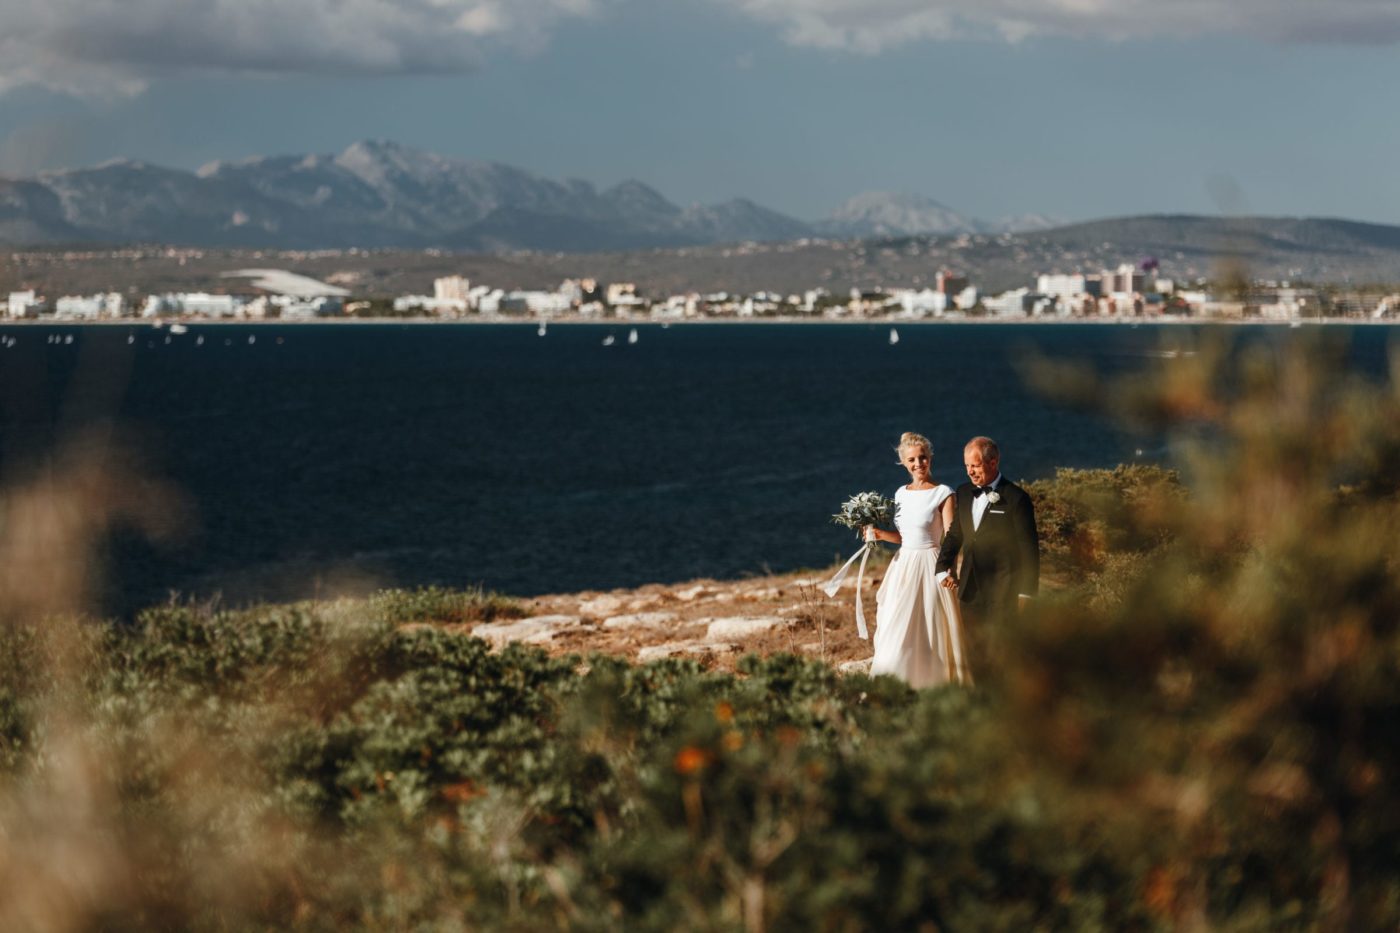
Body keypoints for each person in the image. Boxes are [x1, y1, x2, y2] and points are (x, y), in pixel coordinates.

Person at [864, 432, 972, 687]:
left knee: (930, 630)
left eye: (923, 458)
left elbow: (951, 537)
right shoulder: (901, 493)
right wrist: (877, 533)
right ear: (903, 463)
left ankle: (933, 686)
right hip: (903, 568)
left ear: (930, 458)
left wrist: (949, 571)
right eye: (912, 459)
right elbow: (904, 537)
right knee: (894, 628)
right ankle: (892, 685)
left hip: (932, 567)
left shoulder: (944, 493)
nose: (918, 464)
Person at [936, 436, 1039, 657]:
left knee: (1003, 653)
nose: (970, 472)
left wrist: (1027, 593)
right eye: (967, 466)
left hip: (1004, 592)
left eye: (975, 465)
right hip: (970, 590)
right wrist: (942, 566)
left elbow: (1028, 549)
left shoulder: (1017, 498)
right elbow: (955, 534)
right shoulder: (963, 492)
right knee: (974, 653)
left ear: (993, 462)